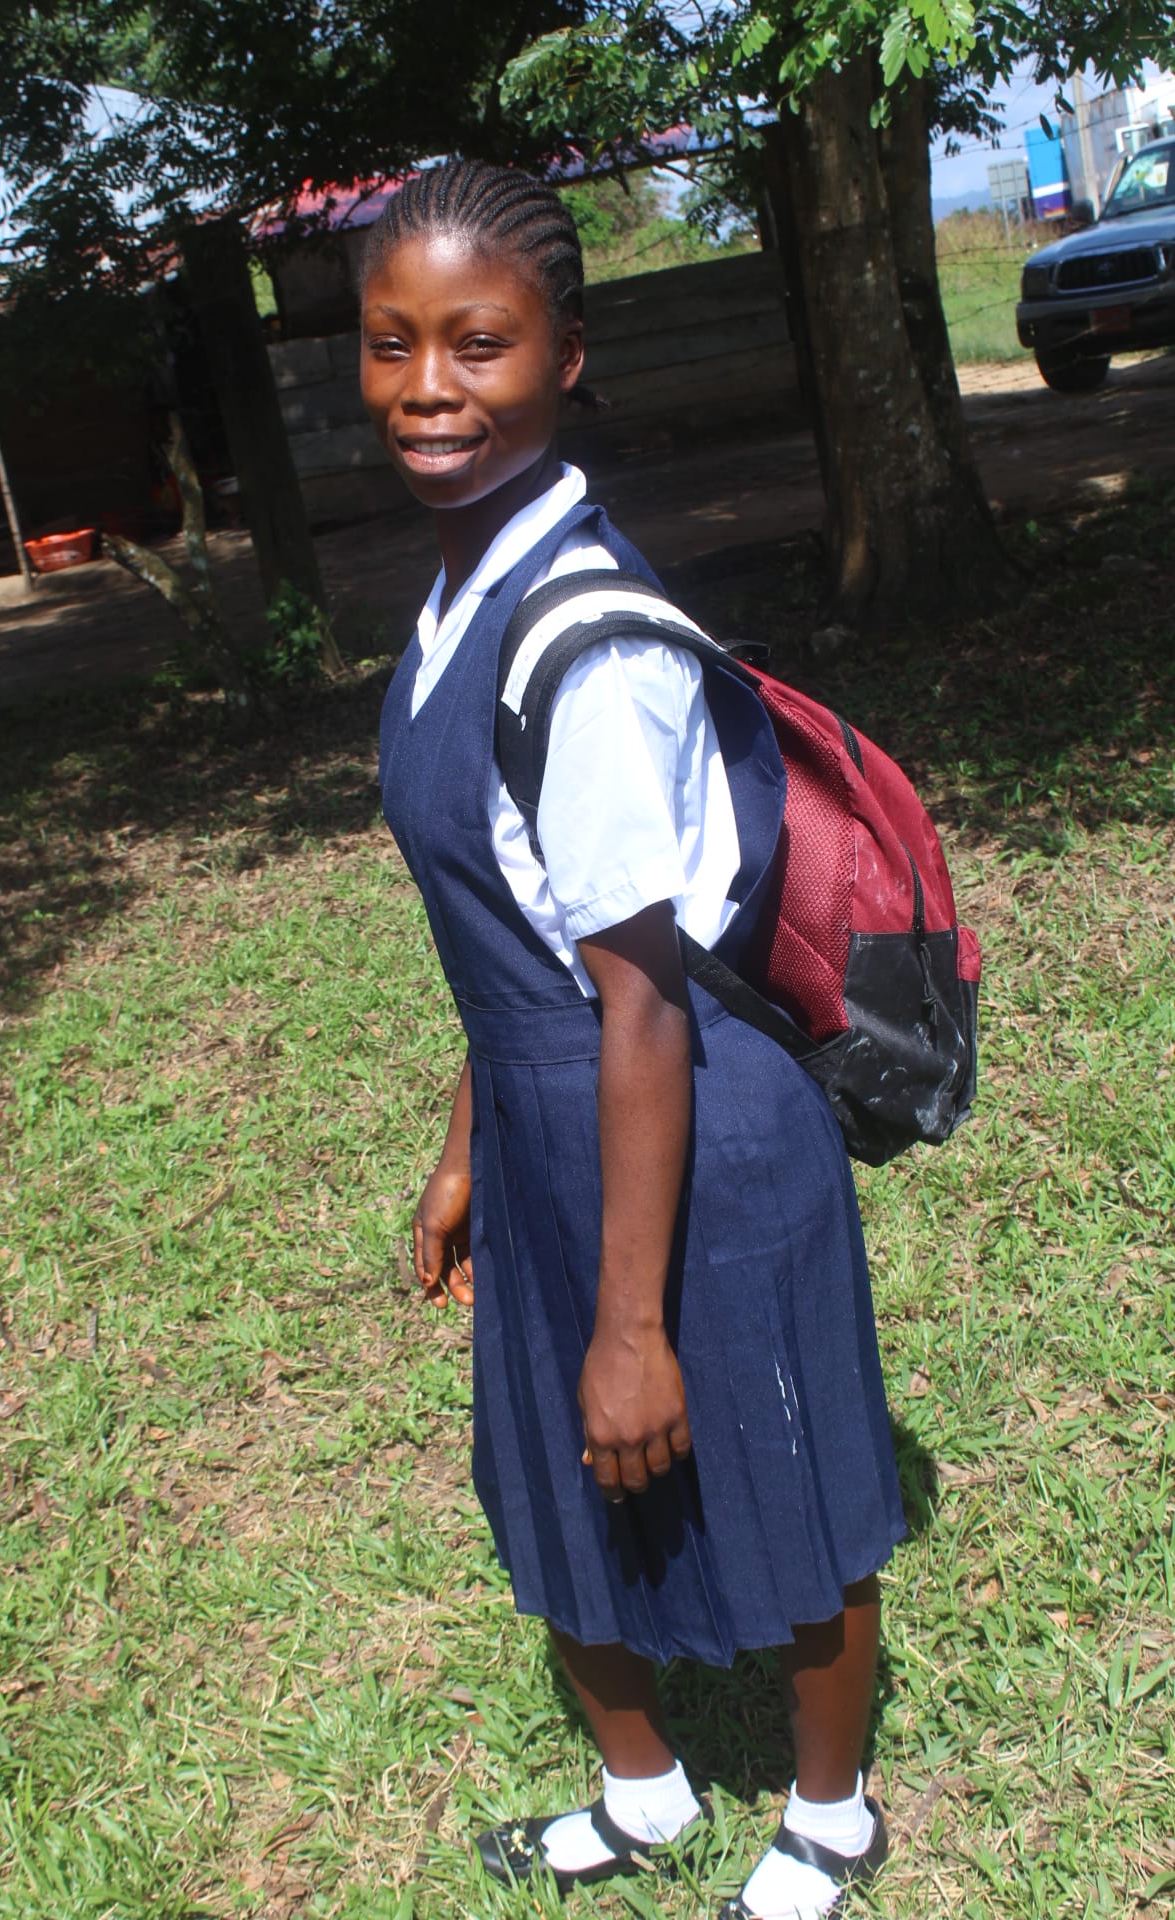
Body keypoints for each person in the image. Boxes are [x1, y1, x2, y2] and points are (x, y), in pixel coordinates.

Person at [365, 160, 906, 1920]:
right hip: (545, 1113)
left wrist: (630, 1325)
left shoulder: (588, 648)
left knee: (778, 1474)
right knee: (545, 1465)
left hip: (691, 1129)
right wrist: (467, 1148)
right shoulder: (457, 596)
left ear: (566, 357)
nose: (428, 386)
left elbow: (643, 996)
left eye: (478, 344)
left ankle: (829, 1819)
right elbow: (508, 934)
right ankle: (646, 1791)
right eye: (391, 343)